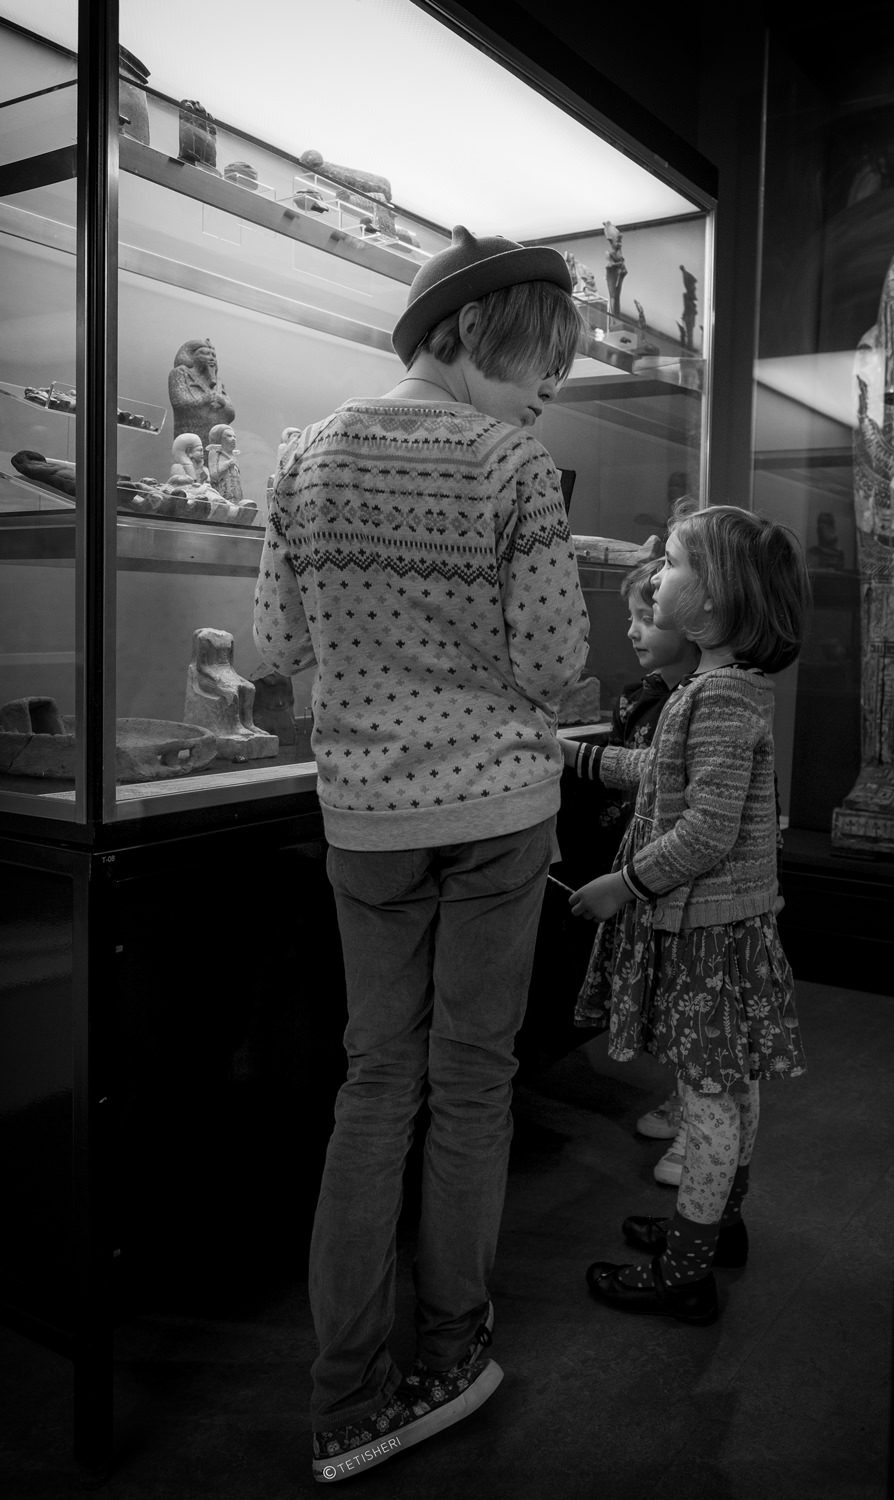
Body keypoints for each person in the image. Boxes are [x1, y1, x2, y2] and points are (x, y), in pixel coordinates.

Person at [253, 224, 590, 1483]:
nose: (547, 382)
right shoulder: (514, 466)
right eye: (536, 355)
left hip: (364, 820)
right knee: (473, 1085)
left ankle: (344, 1400)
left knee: (372, 1086)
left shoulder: (303, 456)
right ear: (466, 334)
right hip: (498, 810)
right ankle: (451, 1351)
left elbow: (277, 645)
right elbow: (554, 661)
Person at [559, 503, 809, 1326]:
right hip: (721, 930)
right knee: (727, 1087)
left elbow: (706, 829)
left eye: (669, 563)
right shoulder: (719, 690)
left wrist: (622, 886)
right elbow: (658, 772)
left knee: (707, 1098)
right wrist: (571, 754)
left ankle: (685, 1270)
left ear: (711, 602)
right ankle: (715, 1225)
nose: (656, 575)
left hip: (706, 934)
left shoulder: (722, 700)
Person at [581, 558, 698, 1178]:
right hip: (654, 866)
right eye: (631, 616)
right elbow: (644, 772)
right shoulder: (649, 699)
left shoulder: (708, 705)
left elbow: (712, 812)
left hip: (693, 881)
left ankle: (700, 1128)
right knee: (670, 991)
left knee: (697, 1005)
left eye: (646, 616)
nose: (633, 631)